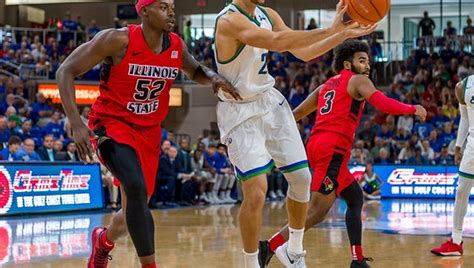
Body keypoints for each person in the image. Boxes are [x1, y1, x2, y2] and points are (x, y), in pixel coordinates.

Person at [56, 0, 240, 267]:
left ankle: (104, 241)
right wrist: (76, 122)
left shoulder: (176, 45)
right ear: (144, 11)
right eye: (164, 6)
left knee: (136, 206)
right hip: (113, 124)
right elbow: (65, 71)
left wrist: (213, 77)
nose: (172, 11)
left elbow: (195, 69)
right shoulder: (117, 40)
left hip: (149, 132)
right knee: (135, 186)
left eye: (172, 6)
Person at [214, 1, 375, 266]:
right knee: (256, 192)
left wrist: (341, 34)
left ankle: (293, 250)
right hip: (239, 110)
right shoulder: (229, 21)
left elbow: (302, 52)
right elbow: (277, 41)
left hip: (269, 101)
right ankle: (251, 262)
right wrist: (331, 27)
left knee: (301, 179)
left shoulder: (268, 14)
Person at [259, 40, 426, 268]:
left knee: (355, 198)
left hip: (317, 145)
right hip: (333, 150)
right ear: (347, 64)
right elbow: (382, 102)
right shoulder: (358, 80)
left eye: (367, 60)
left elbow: (295, 113)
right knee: (317, 212)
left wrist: (268, 127)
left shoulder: (326, 85)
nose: (367, 65)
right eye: (361, 60)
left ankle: (357, 259)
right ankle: (270, 245)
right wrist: (412, 109)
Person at [431, 75, 474, 256]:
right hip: (473, 146)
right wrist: (458, 146)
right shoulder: (464, 86)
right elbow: (464, 118)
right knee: (461, 191)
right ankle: (456, 242)